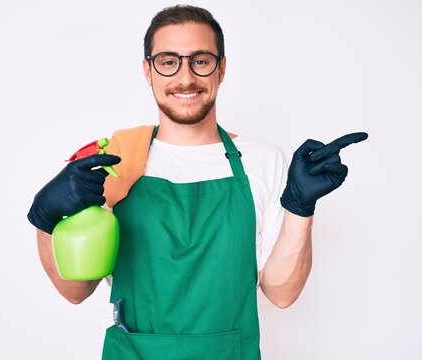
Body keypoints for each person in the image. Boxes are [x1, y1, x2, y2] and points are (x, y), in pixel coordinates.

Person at [27, 5, 367, 359]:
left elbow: (281, 294)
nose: (185, 78)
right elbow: (75, 290)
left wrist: (300, 207)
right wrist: (45, 220)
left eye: (200, 61)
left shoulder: (263, 161)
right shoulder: (115, 161)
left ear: (221, 68)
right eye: (168, 61)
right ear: (148, 70)